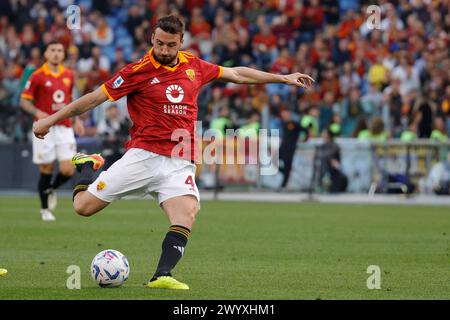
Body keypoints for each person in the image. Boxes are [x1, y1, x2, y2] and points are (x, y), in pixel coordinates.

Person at [33, 16, 314, 290]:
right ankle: (88, 166)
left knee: (187, 213)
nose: (164, 50)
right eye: (159, 44)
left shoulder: (193, 64)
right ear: (152, 39)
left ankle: (161, 275)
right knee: (82, 207)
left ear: (181, 41)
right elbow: (93, 98)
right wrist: (50, 120)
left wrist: (283, 78)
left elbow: (237, 73)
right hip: (143, 156)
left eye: (170, 45)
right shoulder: (136, 71)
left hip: (180, 159)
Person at [20, 40, 85, 221]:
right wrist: (37, 112)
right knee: (46, 167)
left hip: (64, 127)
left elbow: (72, 101)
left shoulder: (69, 75)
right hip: (44, 128)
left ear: (63, 55)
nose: (56, 53)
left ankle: (50, 189)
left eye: (59, 50)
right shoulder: (37, 76)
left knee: (67, 170)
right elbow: (24, 101)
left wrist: (76, 120)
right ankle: (45, 210)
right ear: (46, 54)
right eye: (53, 50)